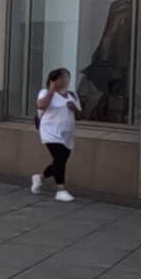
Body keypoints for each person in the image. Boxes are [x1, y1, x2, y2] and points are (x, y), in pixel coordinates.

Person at [33, 67, 81, 202]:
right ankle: (61, 190)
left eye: (67, 78)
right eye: (62, 78)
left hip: (67, 134)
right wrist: (52, 91)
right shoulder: (45, 93)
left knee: (60, 161)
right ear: (54, 80)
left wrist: (74, 109)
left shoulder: (72, 95)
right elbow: (40, 105)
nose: (65, 81)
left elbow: (80, 115)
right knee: (60, 158)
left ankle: (40, 177)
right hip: (50, 131)